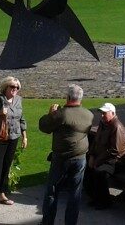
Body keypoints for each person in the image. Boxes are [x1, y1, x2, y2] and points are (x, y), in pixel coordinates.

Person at [39, 84, 92, 225]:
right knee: (75, 193)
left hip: (62, 157)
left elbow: (44, 126)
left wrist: (51, 113)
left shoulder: (62, 114)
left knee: (52, 191)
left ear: (68, 97)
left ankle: (48, 222)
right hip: (80, 157)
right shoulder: (89, 115)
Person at [0, 76, 27, 212]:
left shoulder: (18, 100)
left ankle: (1, 194)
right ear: (6, 87)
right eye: (12, 87)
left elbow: (21, 118)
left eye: (17, 87)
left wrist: (24, 136)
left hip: (13, 137)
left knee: (6, 167)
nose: (15, 90)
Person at [84, 102, 125, 209]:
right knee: (87, 168)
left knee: (100, 172)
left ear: (112, 113)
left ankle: (105, 201)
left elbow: (115, 150)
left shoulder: (116, 127)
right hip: (101, 158)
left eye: (105, 113)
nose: (102, 116)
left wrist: (98, 160)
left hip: (114, 161)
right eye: (102, 113)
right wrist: (92, 156)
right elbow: (95, 142)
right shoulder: (103, 125)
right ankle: (95, 198)